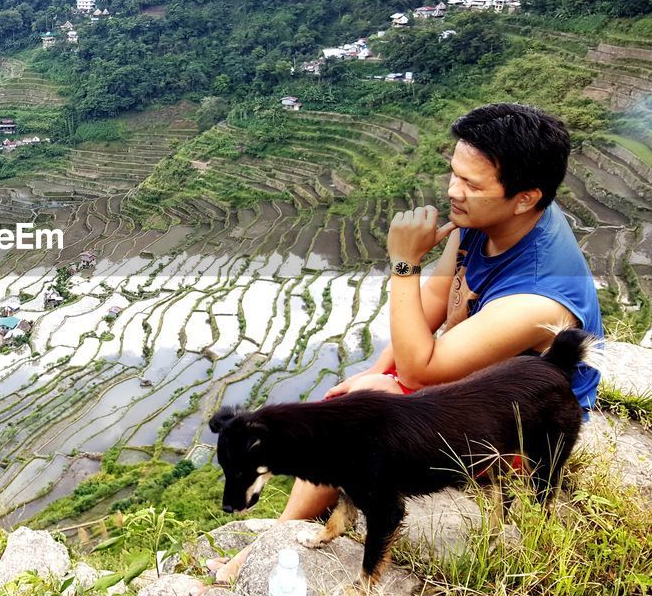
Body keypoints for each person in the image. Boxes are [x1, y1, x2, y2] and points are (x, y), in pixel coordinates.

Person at [207, 102, 603, 584]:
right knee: (351, 403)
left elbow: (419, 370)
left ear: (525, 197)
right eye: (454, 174)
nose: (454, 192)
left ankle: (265, 548)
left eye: (472, 185)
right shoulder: (489, 221)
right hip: (481, 381)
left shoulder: (536, 297)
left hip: (514, 421)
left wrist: (403, 262)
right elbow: (436, 296)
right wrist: (376, 371)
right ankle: (294, 530)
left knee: (348, 428)